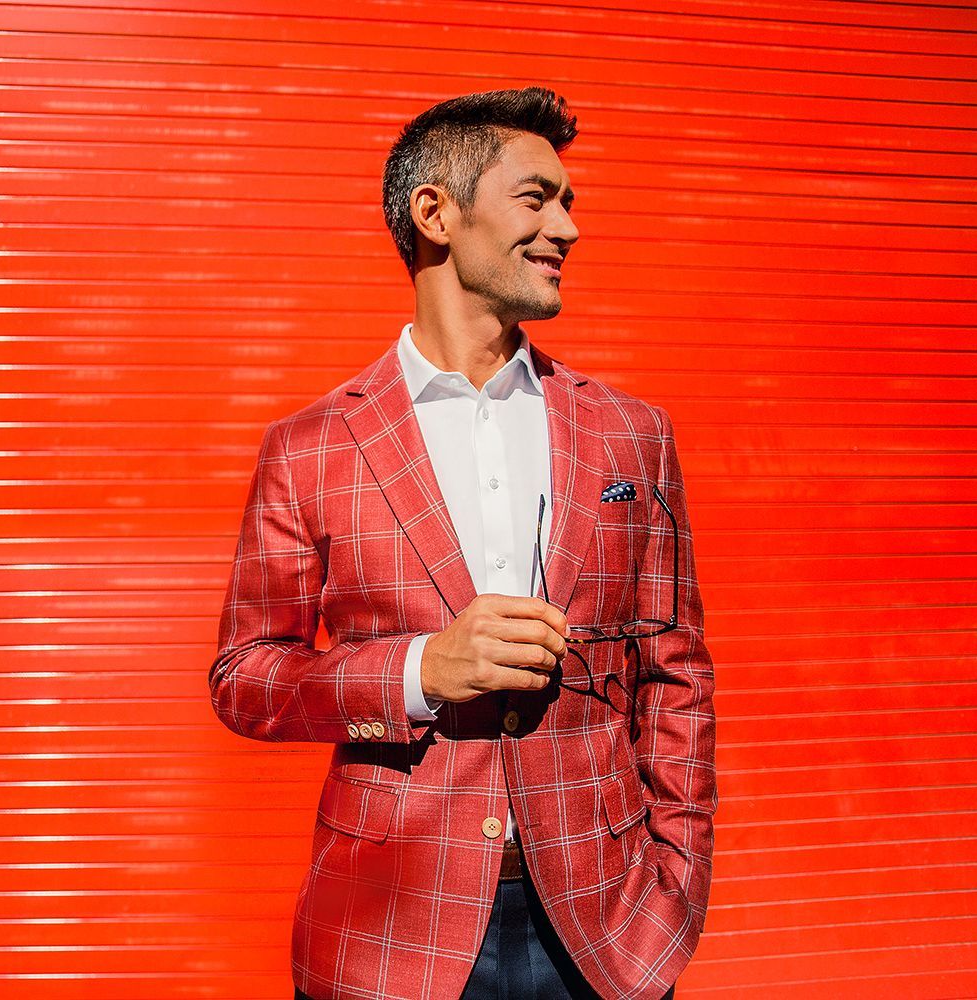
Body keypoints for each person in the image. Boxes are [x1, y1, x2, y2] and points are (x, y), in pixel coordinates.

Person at [210, 86, 717, 1000]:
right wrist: (418, 672)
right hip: (390, 932)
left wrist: (676, 883)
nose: (567, 228)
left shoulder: (628, 432)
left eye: (570, 204)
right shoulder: (314, 446)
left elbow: (676, 672)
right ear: (435, 213)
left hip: (606, 929)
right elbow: (246, 679)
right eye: (538, 197)